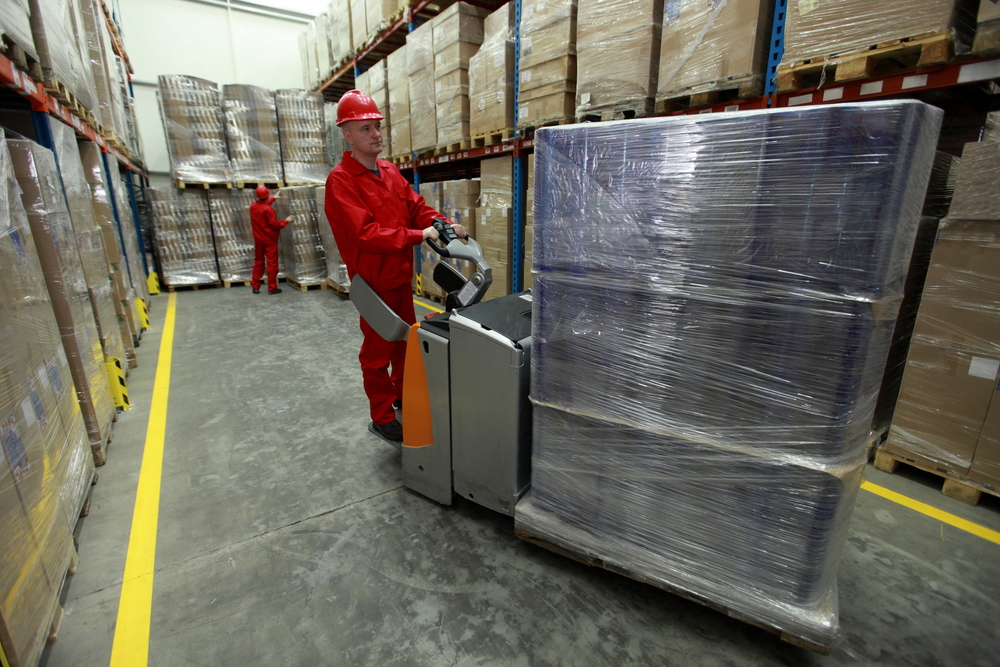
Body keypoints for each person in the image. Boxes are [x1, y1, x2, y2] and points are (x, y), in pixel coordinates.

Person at [325, 89, 466, 443]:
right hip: (372, 283)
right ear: (347, 135)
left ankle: (403, 397)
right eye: (364, 128)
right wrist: (419, 235)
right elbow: (366, 234)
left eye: (376, 126)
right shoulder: (341, 181)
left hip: (401, 277)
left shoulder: (389, 172)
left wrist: (444, 223)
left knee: (406, 343)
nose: (375, 134)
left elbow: (417, 207)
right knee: (376, 354)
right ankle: (382, 415)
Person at [250, 186, 294, 295]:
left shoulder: (253, 206)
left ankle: (255, 286)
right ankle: (272, 288)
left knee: (258, 261)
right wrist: (286, 220)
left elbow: (262, 207)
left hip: (258, 239)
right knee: (272, 264)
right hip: (269, 240)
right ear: (267, 195)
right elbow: (275, 224)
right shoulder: (269, 210)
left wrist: (273, 198)